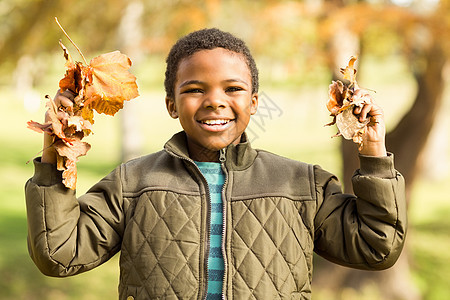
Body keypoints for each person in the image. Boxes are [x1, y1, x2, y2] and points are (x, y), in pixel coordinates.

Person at [25, 28, 407, 300]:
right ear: (171, 104)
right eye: (194, 90)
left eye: (233, 88)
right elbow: (59, 254)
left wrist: (373, 151)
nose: (214, 101)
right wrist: (56, 151)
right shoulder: (133, 182)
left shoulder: (301, 184)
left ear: (254, 103)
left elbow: (377, 246)